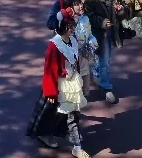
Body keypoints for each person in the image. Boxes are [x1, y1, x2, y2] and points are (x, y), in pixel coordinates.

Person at [25, 14, 92, 158]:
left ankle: (77, 146)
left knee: (72, 115)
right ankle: (45, 134)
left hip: (71, 84)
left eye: (73, 26)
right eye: (69, 26)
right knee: (50, 112)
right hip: (58, 85)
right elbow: (49, 69)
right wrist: (50, 92)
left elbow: (75, 62)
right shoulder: (55, 45)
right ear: (61, 26)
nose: (72, 29)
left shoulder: (72, 40)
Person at [86, 0, 128, 104]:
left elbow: (124, 13)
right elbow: (89, 16)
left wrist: (120, 10)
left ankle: (96, 73)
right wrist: (102, 22)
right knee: (104, 61)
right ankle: (106, 87)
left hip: (113, 32)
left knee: (103, 58)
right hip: (99, 34)